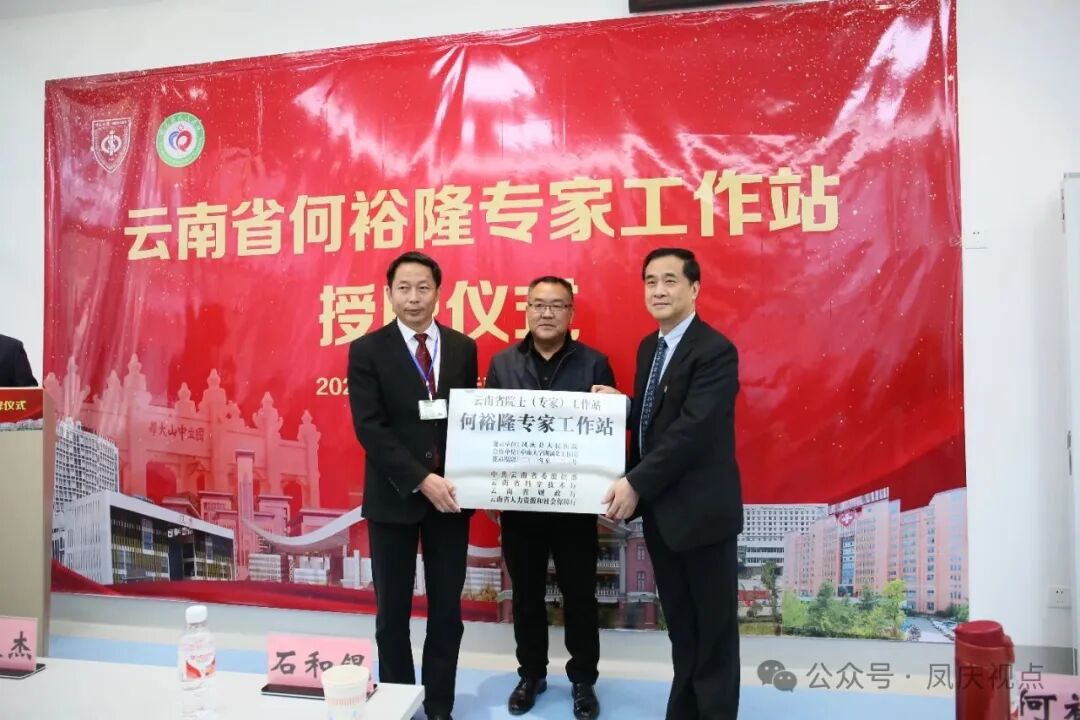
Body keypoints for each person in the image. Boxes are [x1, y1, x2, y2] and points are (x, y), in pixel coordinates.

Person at [593, 247, 743, 720]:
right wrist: (624, 407)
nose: (658, 290)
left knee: (713, 631)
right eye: (650, 281)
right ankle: (684, 711)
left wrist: (635, 482)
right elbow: (659, 415)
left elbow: (692, 430)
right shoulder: (649, 347)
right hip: (663, 516)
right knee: (682, 627)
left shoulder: (715, 350)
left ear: (694, 288)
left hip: (702, 515)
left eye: (670, 280)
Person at [347, 251, 478, 720]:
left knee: (447, 614)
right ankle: (398, 704)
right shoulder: (367, 350)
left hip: (451, 501)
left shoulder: (463, 347)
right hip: (394, 497)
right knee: (392, 616)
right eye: (403, 288)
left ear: (438, 293)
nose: (414, 297)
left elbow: (468, 422)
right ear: (388, 294)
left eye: (423, 287)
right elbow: (370, 429)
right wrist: (422, 479)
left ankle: (440, 706)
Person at [486, 276, 613, 719]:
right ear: (526, 309)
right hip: (521, 504)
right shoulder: (503, 364)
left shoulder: (595, 364)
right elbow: (490, 434)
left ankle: (583, 680)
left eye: (557, 305)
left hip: (575, 505)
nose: (546, 312)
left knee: (581, 596)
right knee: (526, 596)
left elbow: (605, 436)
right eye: (538, 304)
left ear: (571, 313)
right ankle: (531, 675)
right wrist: (489, 486)